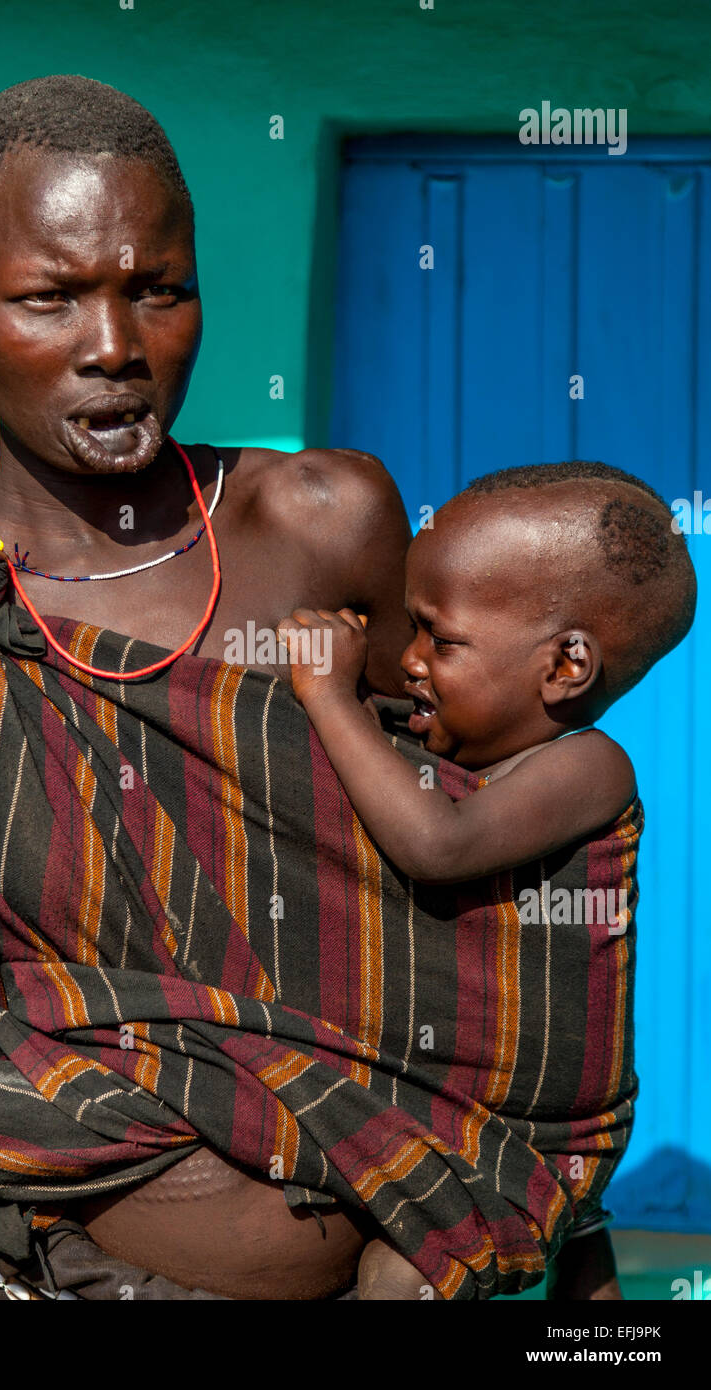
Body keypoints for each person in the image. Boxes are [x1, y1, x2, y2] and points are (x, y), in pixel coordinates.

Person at [0, 75, 621, 1302]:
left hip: (404, 1246)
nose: (114, 345)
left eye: (157, 288)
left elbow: (466, 871)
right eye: (50, 296)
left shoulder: (322, 524)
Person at [277, 460, 697, 1298]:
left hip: (542, 1129)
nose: (412, 659)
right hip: (457, 1106)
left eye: (442, 638)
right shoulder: (455, 759)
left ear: (565, 668)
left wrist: (328, 697)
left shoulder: (590, 768)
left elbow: (437, 844)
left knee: (402, 1277)